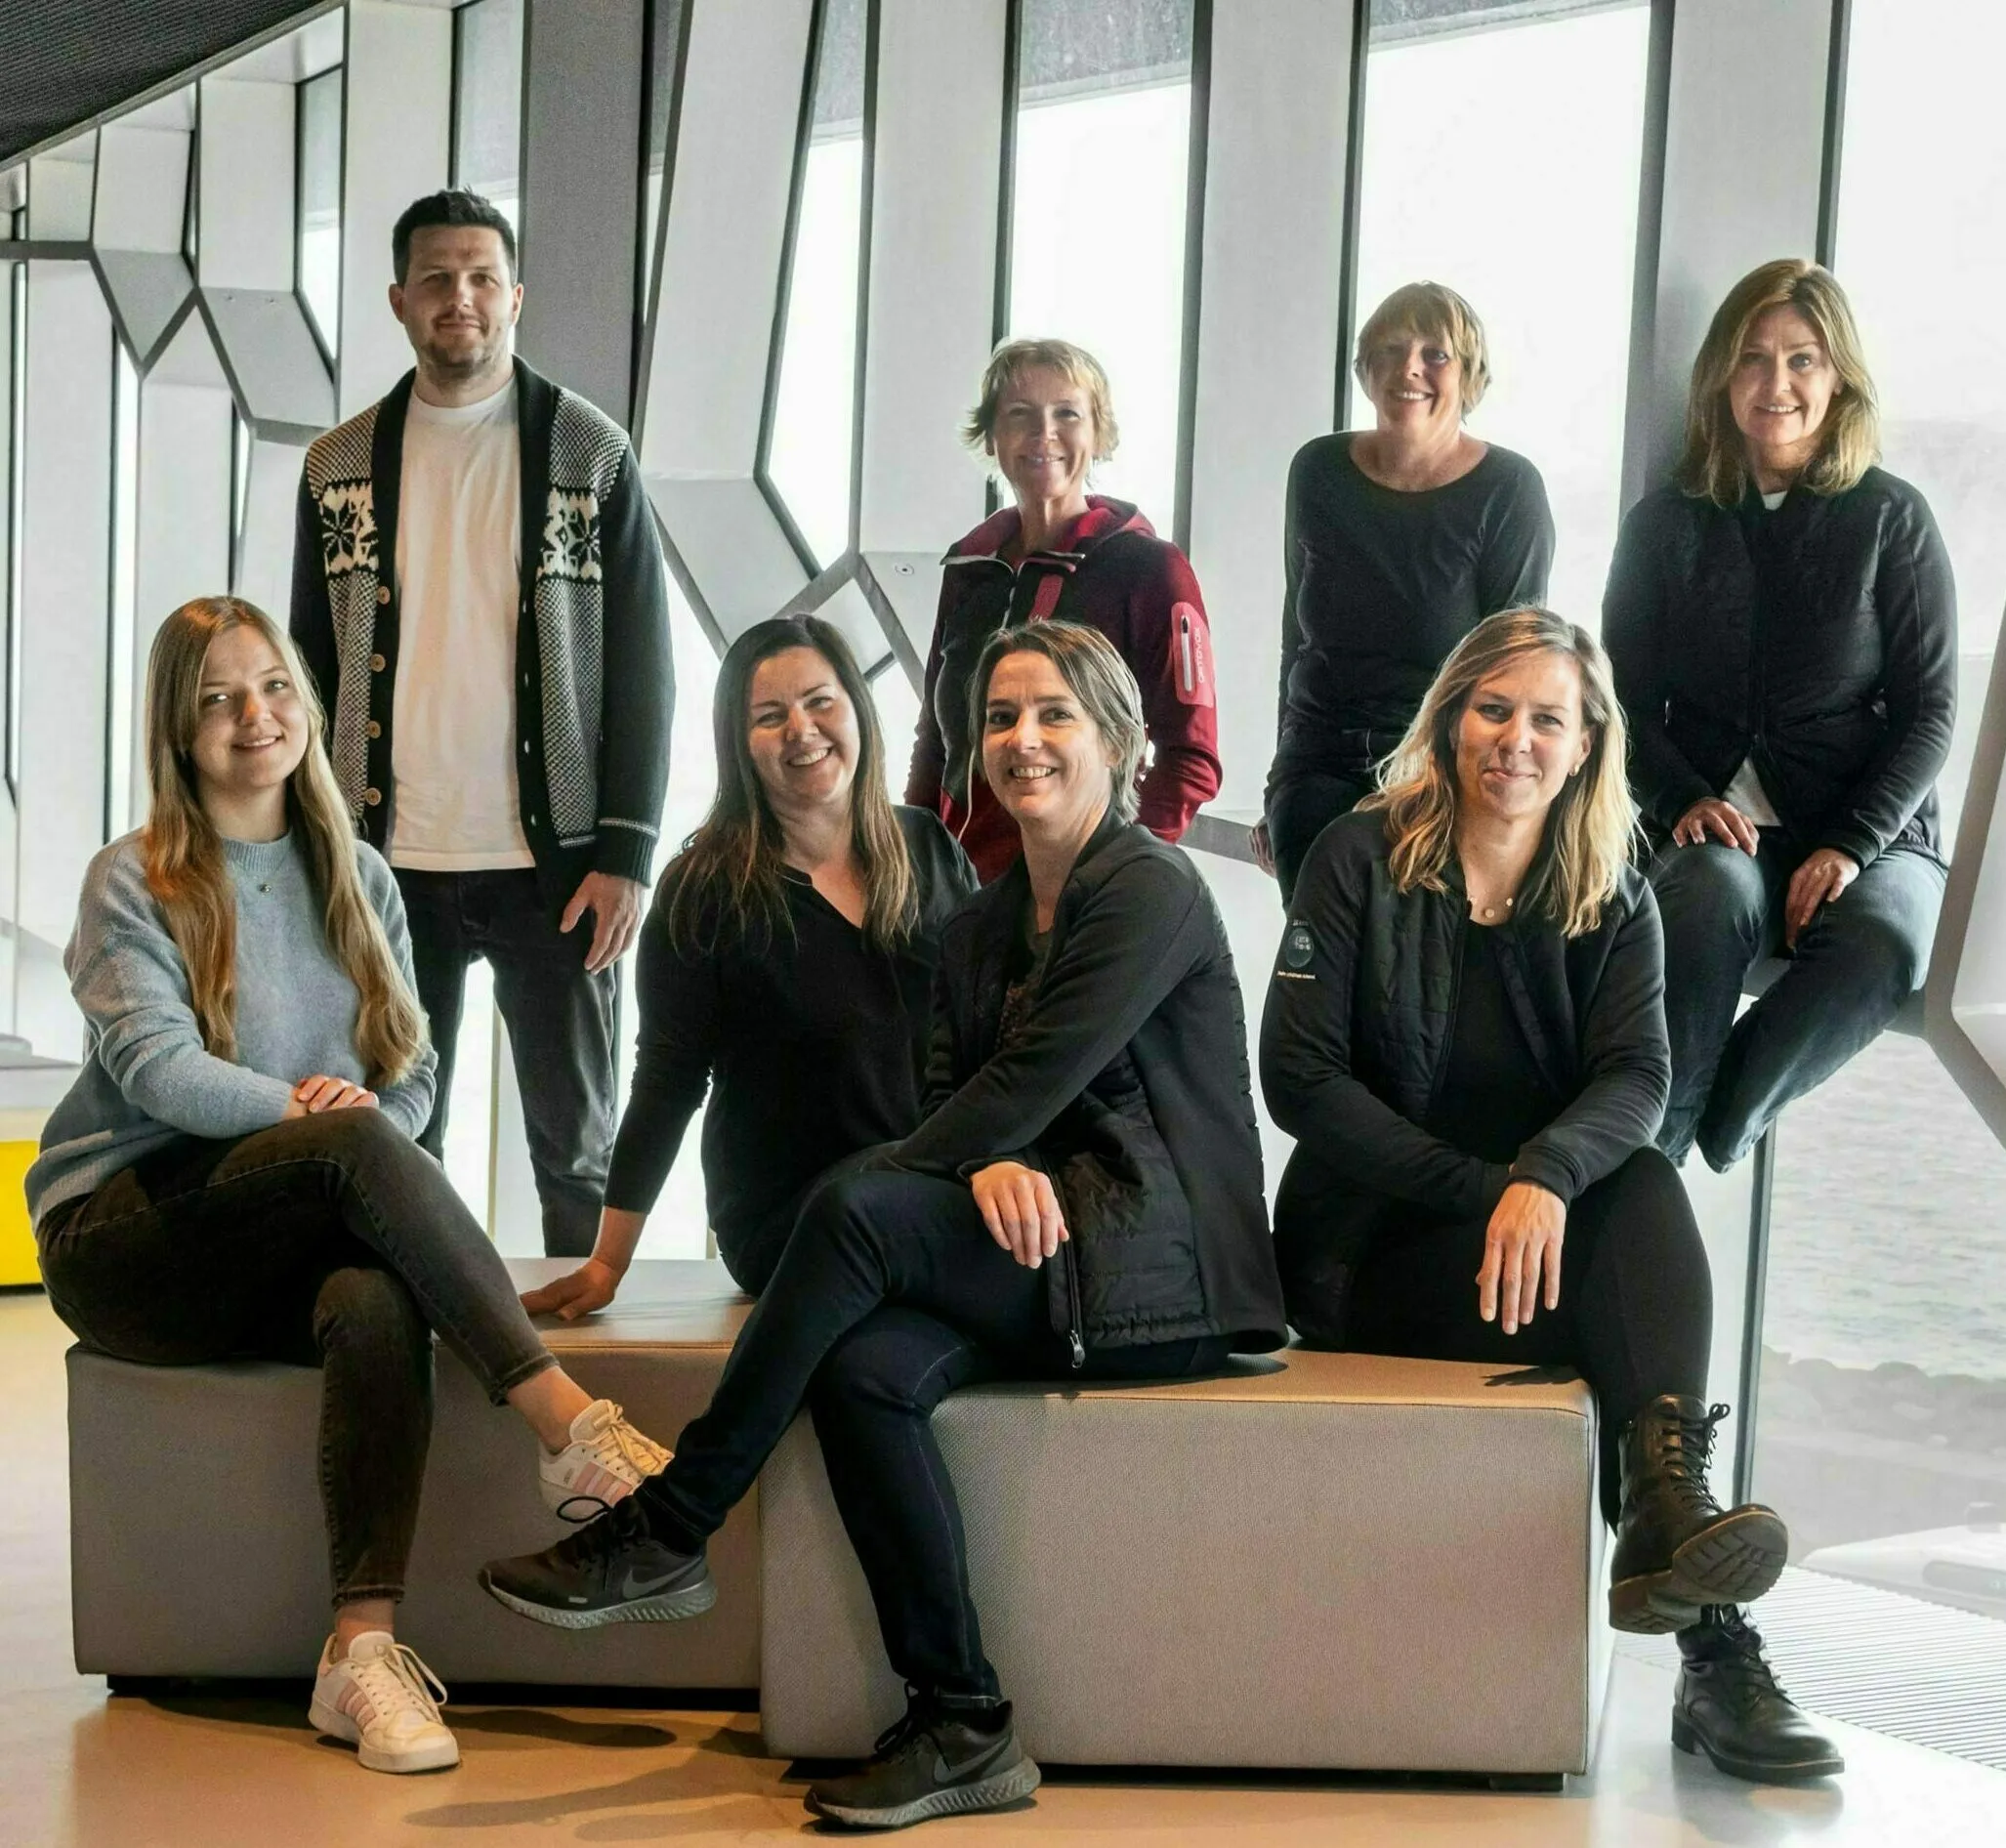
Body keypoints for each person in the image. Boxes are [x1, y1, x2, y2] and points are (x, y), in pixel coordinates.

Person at [482, 620, 1285, 1830]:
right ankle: (963, 1716)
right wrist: (987, 1164)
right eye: (1001, 717)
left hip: (1158, 1265)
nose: (1022, 739)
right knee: (860, 1369)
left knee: (851, 1207)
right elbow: (962, 1083)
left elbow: (1023, 1082)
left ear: (1115, 736)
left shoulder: (1148, 887)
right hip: (1043, 1253)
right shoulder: (986, 913)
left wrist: (959, 1164)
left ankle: (672, 1523)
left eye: (1053, 713)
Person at [26, 598, 673, 1779]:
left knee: (374, 1300)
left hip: (283, 1207)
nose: (251, 715)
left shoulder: (358, 873)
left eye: (271, 686)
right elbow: (159, 1070)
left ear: (307, 705)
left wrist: (351, 1125)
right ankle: (566, 1427)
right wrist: (318, 1117)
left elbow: (408, 1064)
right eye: (216, 697)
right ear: (178, 726)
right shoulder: (132, 878)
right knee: (356, 1139)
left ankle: (359, 1658)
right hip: (126, 1233)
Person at [1263, 607, 1842, 1785]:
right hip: (1375, 1252)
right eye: (1492, 709)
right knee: (1611, 1281)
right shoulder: (1356, 857)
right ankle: (1708, 1639)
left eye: (1546, 719)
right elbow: (1300, 1080)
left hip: (1534, 1235)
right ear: (1449, 718)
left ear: (1585, 744)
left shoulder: (1610, 888)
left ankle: (1670, 1515)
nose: (1514, 739)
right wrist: (1498, 1189)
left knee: (1632, 1179)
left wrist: (1545, 1176)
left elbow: (1639, 1077)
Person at [288, 187, 674, 1258]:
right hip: (385, 864)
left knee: (578, 1148)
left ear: (514, 296)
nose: (459, 297)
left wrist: (628, 850)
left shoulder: (590, 453)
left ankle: (592, 1374)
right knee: (398, 1138)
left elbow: (646, 664)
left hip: (557, 868)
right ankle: (429, 1353)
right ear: (399, 300)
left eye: (479, 277)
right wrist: (312, 847)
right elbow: (305, 672)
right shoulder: (338, 466)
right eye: (436, 280)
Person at [521, 616, 975, 1321]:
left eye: (820, 701)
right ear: (741, 745)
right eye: (770, 716)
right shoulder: (705, 890)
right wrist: (609, 1261)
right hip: (789, 1214)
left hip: (923, 1191)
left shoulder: (929, 848)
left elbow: (987, 1029)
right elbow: (668, 1079)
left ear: (857, 706)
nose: (802, 729)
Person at [1605, 257, 1952, 1172]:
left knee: (1882, 942)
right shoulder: (1663, 526)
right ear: (1722, 374)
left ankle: (1720, 1120)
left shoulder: (1892, 519)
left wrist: (1850, 845)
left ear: (1838, 376)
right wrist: (1681, 800)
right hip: (1716, 831)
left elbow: (1931, 713)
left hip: (1872, 833)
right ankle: (1652, 1167)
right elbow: (1623, 705)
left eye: (1803, 360)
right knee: (1703, 897)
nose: (1777, 385)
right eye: (1754, 359)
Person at [1257, 281, 1554, 903]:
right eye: (1388, 351)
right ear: (1365, 371)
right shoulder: (1318, 472)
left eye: (1435, 353)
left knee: (1407, 967)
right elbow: (1298, 638)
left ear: (1469, 375)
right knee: (1319, 969)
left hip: (1442, 773)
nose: (1409, 367)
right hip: (1319, 762)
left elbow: (1516, 672)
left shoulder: (1509, 489)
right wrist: (1278, 785)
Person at [904, 338, 1220, 882]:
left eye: (1066, 414)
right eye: (1019, 415)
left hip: (1080, 899)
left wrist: (1111, 876)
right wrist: (910, 862)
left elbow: (1191, 758)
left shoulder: (1149, 570)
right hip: (961, 898)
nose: (1042, 434)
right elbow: (936, 741)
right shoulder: (969, 568)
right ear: (993, 435)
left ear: (1098, 433)